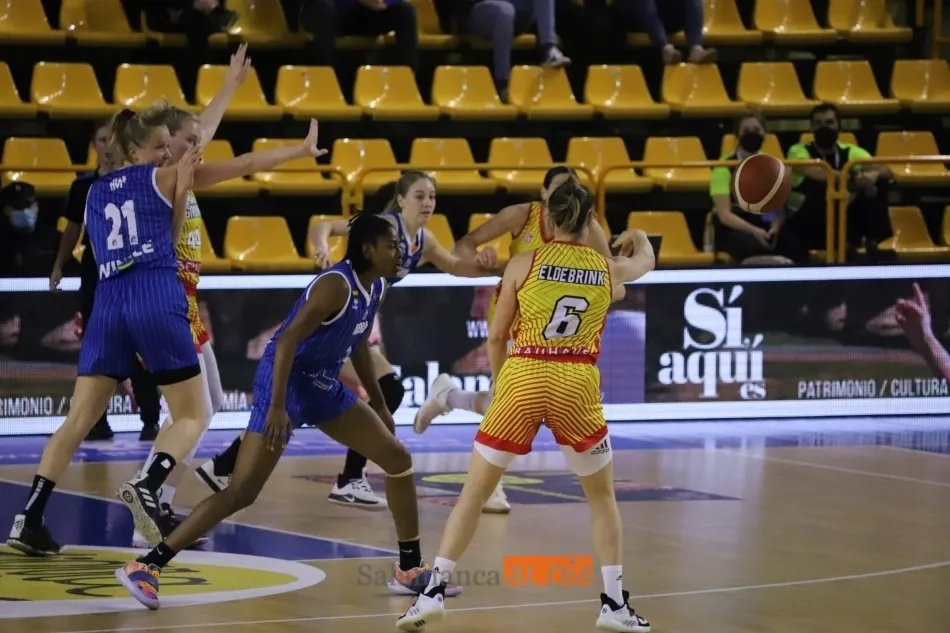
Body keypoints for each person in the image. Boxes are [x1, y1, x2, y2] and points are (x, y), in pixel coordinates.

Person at [5, 110, 329, 557]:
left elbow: (102, 251)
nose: (167, 153)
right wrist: (297, 150)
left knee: (77, 419)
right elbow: (238, 168)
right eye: (159, 146)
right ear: (135, 150)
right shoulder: (163, 178)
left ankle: (29, 518)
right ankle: (149, 486)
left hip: (108, 300)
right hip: (154, 292)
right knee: (194, 413)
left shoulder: (94, 192)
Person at [116, 212, 457, 610]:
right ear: (367, 249)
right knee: (242, 491)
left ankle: (409, 568)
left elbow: (360, 341)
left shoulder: (377, 285)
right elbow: (284, 343)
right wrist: (277, 407)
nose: (400, 252)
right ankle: (147, 566)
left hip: (322, 383)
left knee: (398, 459)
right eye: (392, 246)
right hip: (286, 381)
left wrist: (379, 404)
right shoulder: (335, 285)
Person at [395, 179, 655, 632]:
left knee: (474, 493)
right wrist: (640, 240)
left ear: (548, 220)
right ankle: (613, 603)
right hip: (576, 381)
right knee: (602, 500)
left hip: (526, 373)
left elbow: (496, 336)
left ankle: (433, 591)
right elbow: (645, 263)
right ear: (590, 221)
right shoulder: (604, 268)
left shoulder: (523, 262)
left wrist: (504, 383)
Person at [195, 172, 498, 516]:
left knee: (331, 401)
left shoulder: (424, 240)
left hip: (362, 319)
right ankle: (348, 480)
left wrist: (492, 264)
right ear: (400, 199)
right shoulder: (382, 227)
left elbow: (457, 267)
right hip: (338, 317)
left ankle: (224, 464)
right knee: (378, 391)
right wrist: (321, 248)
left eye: (432, 196)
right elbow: (323, 227)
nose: (427, 203)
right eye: (419, 195)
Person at [412, 166, 639, 513]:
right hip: (515, 319)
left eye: (572, 191)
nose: (566, 199)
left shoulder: (590, 227)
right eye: (559, 191)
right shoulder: (519, 215)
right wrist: (482, 259)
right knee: (503, 401)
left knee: (502, 400)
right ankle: (489, 485)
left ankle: (447, 396)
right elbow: (464, 247)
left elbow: (613, 282)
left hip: (555, 332)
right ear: (544, 193)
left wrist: (603, 285)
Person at [125, 44, 251, 549]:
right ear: (165, 142)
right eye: (189, 138)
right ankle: (147, 512)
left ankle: (156, 504)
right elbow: (209, 140)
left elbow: (205, 127)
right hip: (165, 309)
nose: (200, 141)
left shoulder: (183, 172)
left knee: (208, 406)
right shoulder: (164, 181)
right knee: (193, 413)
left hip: (182, 308)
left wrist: (231, 85)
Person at [50, 118, 162, 442]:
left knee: (140, 346)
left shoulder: (138, 181)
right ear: (94, 145)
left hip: (132, 271)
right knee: (98, 348)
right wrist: (59, 264)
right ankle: (97, 421)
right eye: (101, 139)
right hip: (96, 273)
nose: (107, 146)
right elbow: (72, 228)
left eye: (111, 139)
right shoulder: (83, 186)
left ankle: (150, 419)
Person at [785, 103, 893, 261]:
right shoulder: (798, 150)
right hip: (806, 222)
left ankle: (871, 242)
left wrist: (873, 175)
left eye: (829, 123)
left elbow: (887, 170)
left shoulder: (850, 151)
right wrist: (854, 180)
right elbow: (816, 172)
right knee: (822, 185)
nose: (824, 128)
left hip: (843, 220)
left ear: (839, 126)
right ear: (811, 128)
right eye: (818, 123)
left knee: (879, 184)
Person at [710, 110, 807, 265]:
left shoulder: (773, 166)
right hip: (736, 227)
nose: (752, 135)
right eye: (746, 131)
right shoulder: (724, 167)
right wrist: (754, 232)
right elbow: (725, 215)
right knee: (750, 246)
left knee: (796, 246)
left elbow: (777, 209)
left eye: (756, 131)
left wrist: (774, 228)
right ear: (737, 136)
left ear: (764, 134)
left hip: (764, 223)